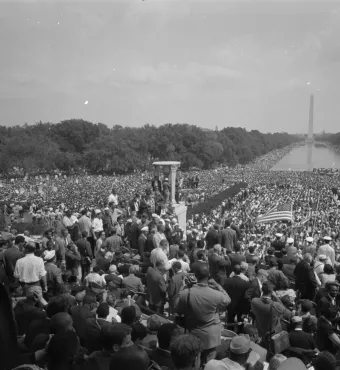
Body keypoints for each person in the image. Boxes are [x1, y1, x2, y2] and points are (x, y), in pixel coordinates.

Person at [176, 264, 230, 363]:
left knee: (194, 361)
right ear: (208, 275)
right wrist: (218, 286)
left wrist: (184, 287)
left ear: (195, 275)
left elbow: (177, 309)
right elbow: (227, 300)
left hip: (193, 334)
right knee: (209, 363)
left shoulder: (186, 293)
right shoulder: (216, 294)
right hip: (211, 337)